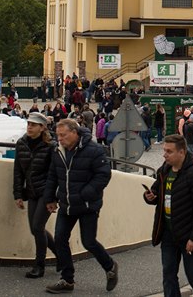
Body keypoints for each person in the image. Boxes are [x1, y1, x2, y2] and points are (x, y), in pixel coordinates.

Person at [43, 119, 119, 293]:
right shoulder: (58, 150)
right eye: (58, 135)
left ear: (74, 133)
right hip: (66, 204)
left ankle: (110, 267)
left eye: (63, 135)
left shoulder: (94, 150)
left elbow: (103, 176)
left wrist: (84, 194)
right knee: (60, 239)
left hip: (87, 205)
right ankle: (67, 279)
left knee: (89, 242)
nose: (59, 139)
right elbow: (53, 176)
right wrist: (49, 198)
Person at [143, 135, 193, 297]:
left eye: (169, 151)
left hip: (188, 235)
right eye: (164, 150)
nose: (164, 155)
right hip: (168, 234)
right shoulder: (164, 170)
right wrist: (149, 196)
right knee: (168, 275)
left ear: (181, 152)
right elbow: (156, 192)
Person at [13, 112, 58, 278]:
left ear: (42, 127)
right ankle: (60, 254)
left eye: (33, 124)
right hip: (32, 192)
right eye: (28, 124)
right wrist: (18, 194)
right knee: (35, 228)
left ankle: (39, 266)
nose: (29, 127)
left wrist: (53, 197)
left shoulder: (51, 146)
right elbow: (18, 171)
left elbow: (55, 173)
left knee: (38, 227)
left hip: (46, 192)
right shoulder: (21, 143)